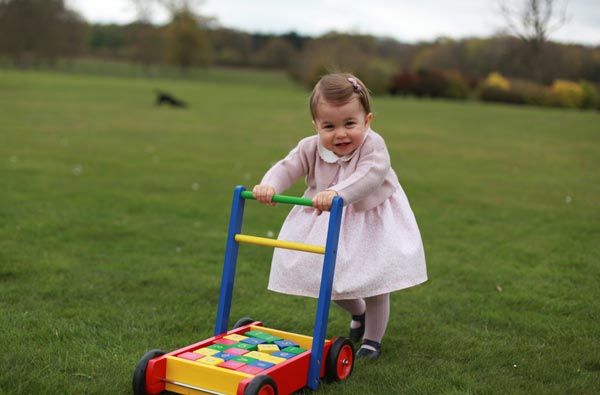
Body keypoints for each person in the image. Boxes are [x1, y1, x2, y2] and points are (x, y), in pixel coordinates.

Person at [252, 73, 427, 359]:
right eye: (329, 126)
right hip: (329, 218)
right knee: (329, 280)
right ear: (316, 125)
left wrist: (337, 192)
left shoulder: (373, 146)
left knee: (374, 282)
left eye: (349, 123)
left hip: (370, 219)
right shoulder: (310, 146)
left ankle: (372, 339)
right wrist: (270, 184)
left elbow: (370, 175)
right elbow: (288, 166)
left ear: (367, 121)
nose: (340, 134)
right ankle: (358, 312)